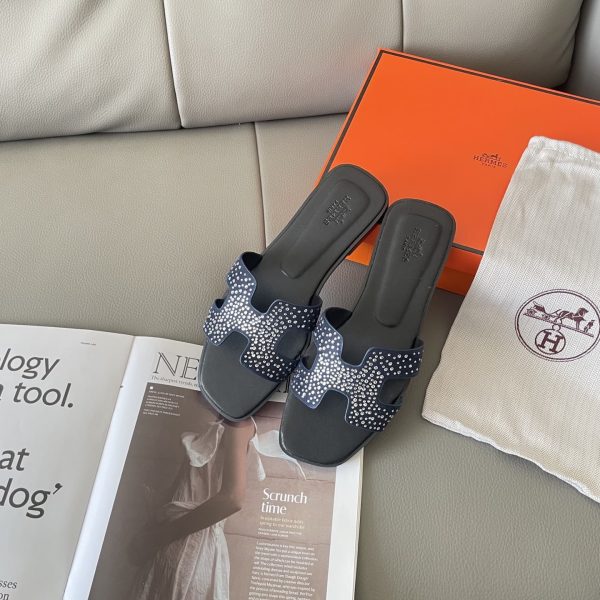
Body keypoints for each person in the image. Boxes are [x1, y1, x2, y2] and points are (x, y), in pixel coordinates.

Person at [128, 404, 255, 600]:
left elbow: (233, 499)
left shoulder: (239, 424)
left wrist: (158, 537)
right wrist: (149, 529)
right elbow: (179, 491)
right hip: (172, 547)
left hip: (190, 549)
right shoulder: (226, 421)